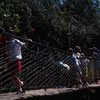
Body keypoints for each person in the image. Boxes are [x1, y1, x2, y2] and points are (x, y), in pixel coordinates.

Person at [1, 27, 32, 93]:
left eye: (10, 34)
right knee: (12, 77)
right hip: (9, 62)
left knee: (13, 76)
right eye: (7, 34)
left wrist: (28, 41)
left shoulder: (16, 41)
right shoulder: (5, 43)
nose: (8, 36)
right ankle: (20, 85)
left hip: (16, 61)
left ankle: (20, 87)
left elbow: (25, 45)